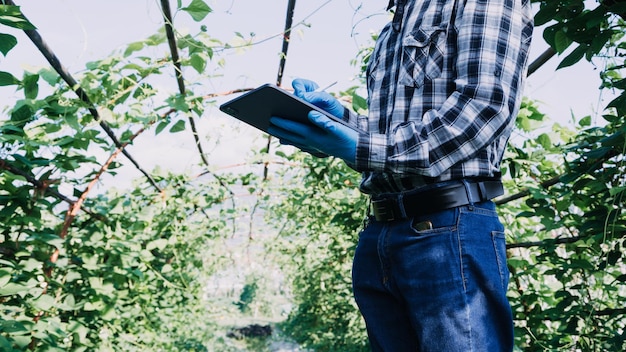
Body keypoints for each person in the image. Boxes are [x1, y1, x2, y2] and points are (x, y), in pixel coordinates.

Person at [268, 0, 534, 350]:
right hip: (382, 232)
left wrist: (359, 147)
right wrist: (343, 123)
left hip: (447, 227)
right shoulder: (396, 24)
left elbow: (483, 107)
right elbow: (390, 138)